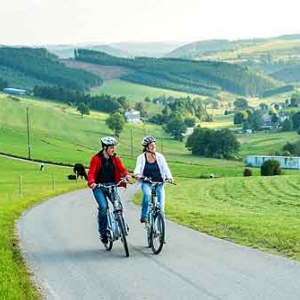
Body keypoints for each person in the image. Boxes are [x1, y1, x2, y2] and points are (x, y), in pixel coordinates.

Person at [87, 136, 131, 244]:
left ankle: (121, 224)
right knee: (103, 207)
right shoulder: (96, 159)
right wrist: (92, 182)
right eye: (111, 147)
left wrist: (127, 175)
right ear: (105, 148)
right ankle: (103, 233)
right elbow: (91, 173)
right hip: (99, 187)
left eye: (114, 147)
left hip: (111, 185)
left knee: (118, 206)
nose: (113, 150)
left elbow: (122, 169)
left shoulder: (115, 158)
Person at [134, 136, 173, 223]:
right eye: (151, 145)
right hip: (147, 182)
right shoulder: (141, 157)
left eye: (154, 145)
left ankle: (160, 232)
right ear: (146, 147)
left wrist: (169, 177)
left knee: (161, 207)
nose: (154, 147)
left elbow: (165, 168)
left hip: (159, 183)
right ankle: (144, 215)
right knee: (147, 195)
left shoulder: (160, 157)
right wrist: (137, 174)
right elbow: (138, 167)